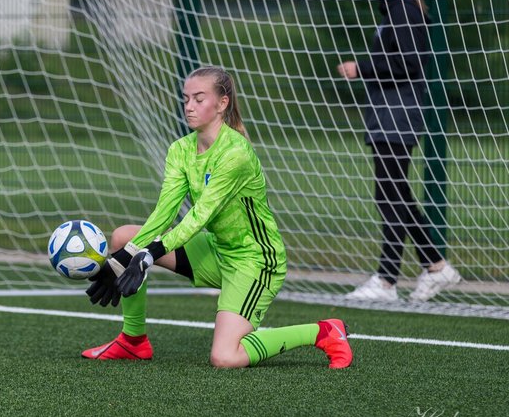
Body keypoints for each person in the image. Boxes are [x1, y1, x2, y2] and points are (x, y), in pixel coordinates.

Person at [81, 66, 352, 369]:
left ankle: (323, 331)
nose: (189, 106)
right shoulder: (180, 150)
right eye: (186, 99)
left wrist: (147, 256)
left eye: (199, 98)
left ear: (222, 104)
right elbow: (164, 211)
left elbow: (199, 215)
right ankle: (133, 342)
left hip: (254, 261)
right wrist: (123, 258)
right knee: (123, 237)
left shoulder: (236, 152)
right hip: (215, 250)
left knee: (225, 357)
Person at [336, 0, 461, 303]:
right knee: (391, 193)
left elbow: (408, 64)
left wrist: (362, 68)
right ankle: (423, 270)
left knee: (392, 193)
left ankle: (398, 277)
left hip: (399, 112)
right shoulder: (394, 11)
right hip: (388, 112)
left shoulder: (406, 11)